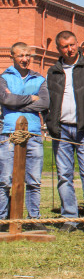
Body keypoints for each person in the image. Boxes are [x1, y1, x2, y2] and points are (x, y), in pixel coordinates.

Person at [46, 30, 84, 236]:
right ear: (58, 49)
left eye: (72, 44)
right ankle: (69, 218)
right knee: (64, 176)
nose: (70, 49)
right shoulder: (53, 70)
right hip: (61, 129)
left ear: (78, 44)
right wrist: (50, 121)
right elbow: (49, 99)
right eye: (65, 46)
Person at [0, 42, 49, 230]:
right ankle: (3, 219)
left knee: (34, 180)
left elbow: (44, 104)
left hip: (34, 133)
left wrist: (16, 104)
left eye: (28, 55)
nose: (25, 59)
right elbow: (5, 99)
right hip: (9, 132)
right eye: (21, 55)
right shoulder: (3, 78)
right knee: (4, 179)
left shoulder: (39, 79)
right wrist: (31, 98)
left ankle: (33, 219)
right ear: (12, 56)